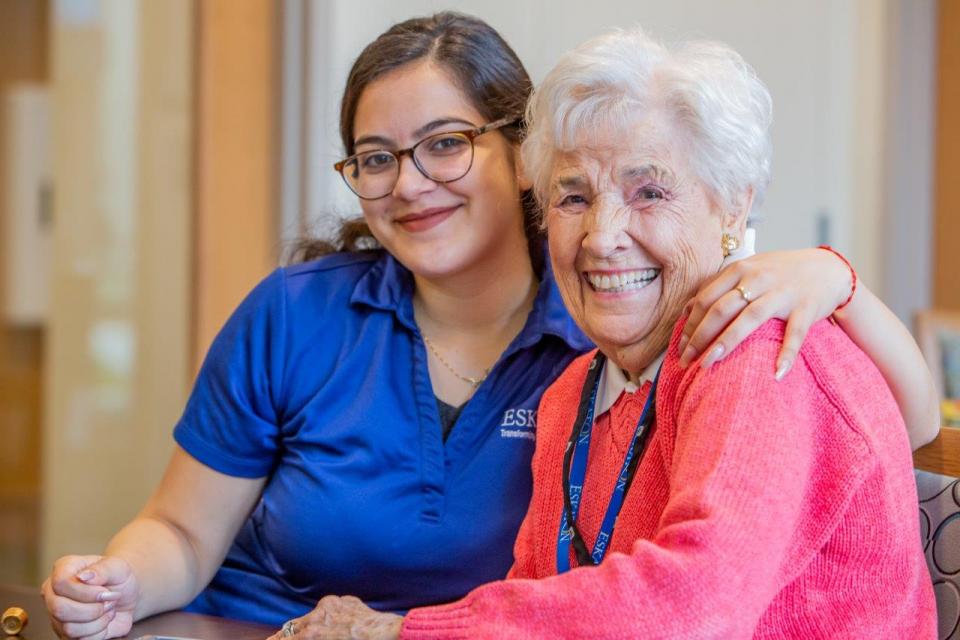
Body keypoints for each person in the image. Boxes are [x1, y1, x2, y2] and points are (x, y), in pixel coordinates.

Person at [42, 13, 937, 640]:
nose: (605, 231)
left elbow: (693, 602)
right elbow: (547, 592)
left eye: (445, 144)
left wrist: (839, 278)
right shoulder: (584, 385)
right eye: (377, 158)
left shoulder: (733, 337)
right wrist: (119, 581)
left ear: (513, 159)